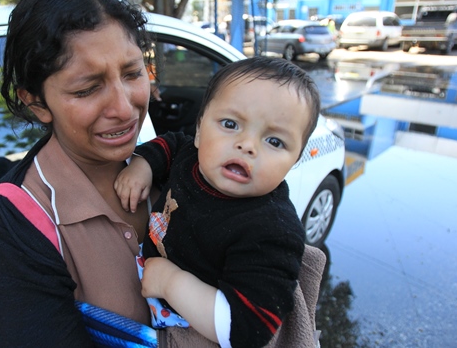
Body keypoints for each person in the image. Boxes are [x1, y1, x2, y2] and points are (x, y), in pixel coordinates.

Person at [0, 0, 220, 347]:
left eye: (132, 73)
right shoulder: (7, 227)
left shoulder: (181, 165)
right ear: (36, 102)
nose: (124, 107)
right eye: (87, 89)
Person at [115, 56, 322, 347]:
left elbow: (247, 330)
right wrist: (144, 165)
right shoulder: (193, 158)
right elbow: (172, 143)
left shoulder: (271, 232)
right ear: (200, 130)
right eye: (230, 123)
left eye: (274, 141)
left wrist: (171, 283)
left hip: (194, 325)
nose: (247, 145)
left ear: (295, 160)